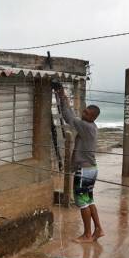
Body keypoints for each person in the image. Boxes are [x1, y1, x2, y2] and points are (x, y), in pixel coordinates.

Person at [53, 82, 104, 242]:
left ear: (92, 117)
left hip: (84, 170)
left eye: (87, 113)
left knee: (81, 202)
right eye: (84, 110)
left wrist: (62, 96)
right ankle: (99, 230)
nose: (83, 112)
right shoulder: (92, 126)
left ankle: (87, 234)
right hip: (91, 169)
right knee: (89, 200)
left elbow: (68, 117)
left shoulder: (86, 126)